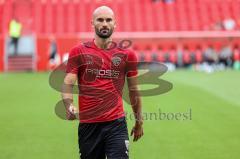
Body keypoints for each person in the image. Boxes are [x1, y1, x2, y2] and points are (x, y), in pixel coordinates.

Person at [61, 6, 144, 159]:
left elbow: (134, 91)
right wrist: (69, 105)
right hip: (89, 126)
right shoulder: (79, 51)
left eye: (108, 20)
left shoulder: (127, 54)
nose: (104, 24)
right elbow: (68, 83)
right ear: (92, 23)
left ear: (115, 24)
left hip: (116, 124)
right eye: (100, 20)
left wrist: (139, 122)